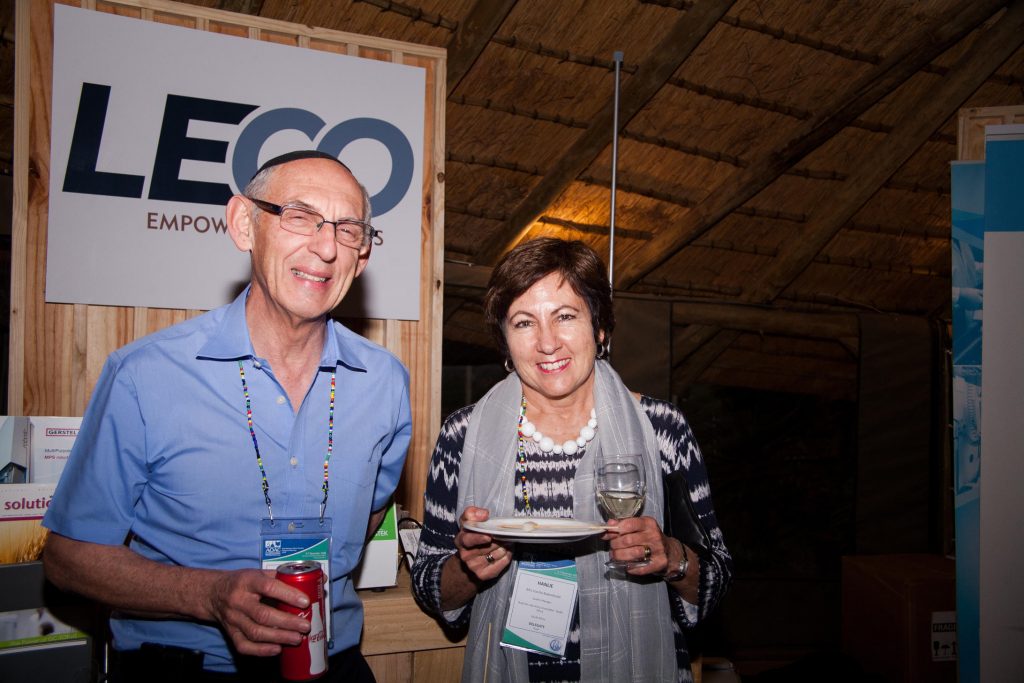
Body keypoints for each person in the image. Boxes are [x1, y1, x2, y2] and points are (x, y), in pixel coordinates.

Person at [42, 150, 412, 681]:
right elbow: (67, 558)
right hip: (182, 669)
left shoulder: (385, 383)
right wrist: (208, 594)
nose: (327, 247)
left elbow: (372, 514)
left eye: (347, 230)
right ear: (244, 224)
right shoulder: (145, 375)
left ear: (362, 257)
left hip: (334, 665)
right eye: (300, 217)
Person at [412, 237, 732, 683]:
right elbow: (429, 585)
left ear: (599, 329)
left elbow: (715, 581)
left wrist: (671, 556)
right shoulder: (462, 436)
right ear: (505, 341)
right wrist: (467, 568)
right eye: (524, 322)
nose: (547, 342)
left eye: (565, 316)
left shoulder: (662, 428)